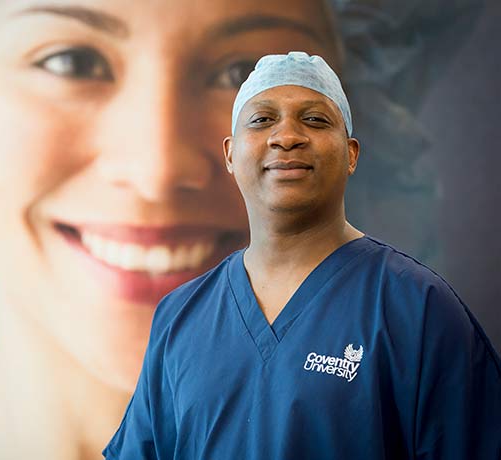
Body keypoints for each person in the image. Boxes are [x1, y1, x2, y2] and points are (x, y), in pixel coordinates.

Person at [0, 0, 484, 459]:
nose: (157, 169)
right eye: (71, 59)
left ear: (356, 140)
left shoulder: (416, 323)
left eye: (239, 72)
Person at [103, 51, 501, 459]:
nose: (286, 136)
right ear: (230, 154)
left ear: (351, 154)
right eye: (261, 120)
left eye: (314, 119)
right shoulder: (180, 317)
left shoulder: (418, 308)